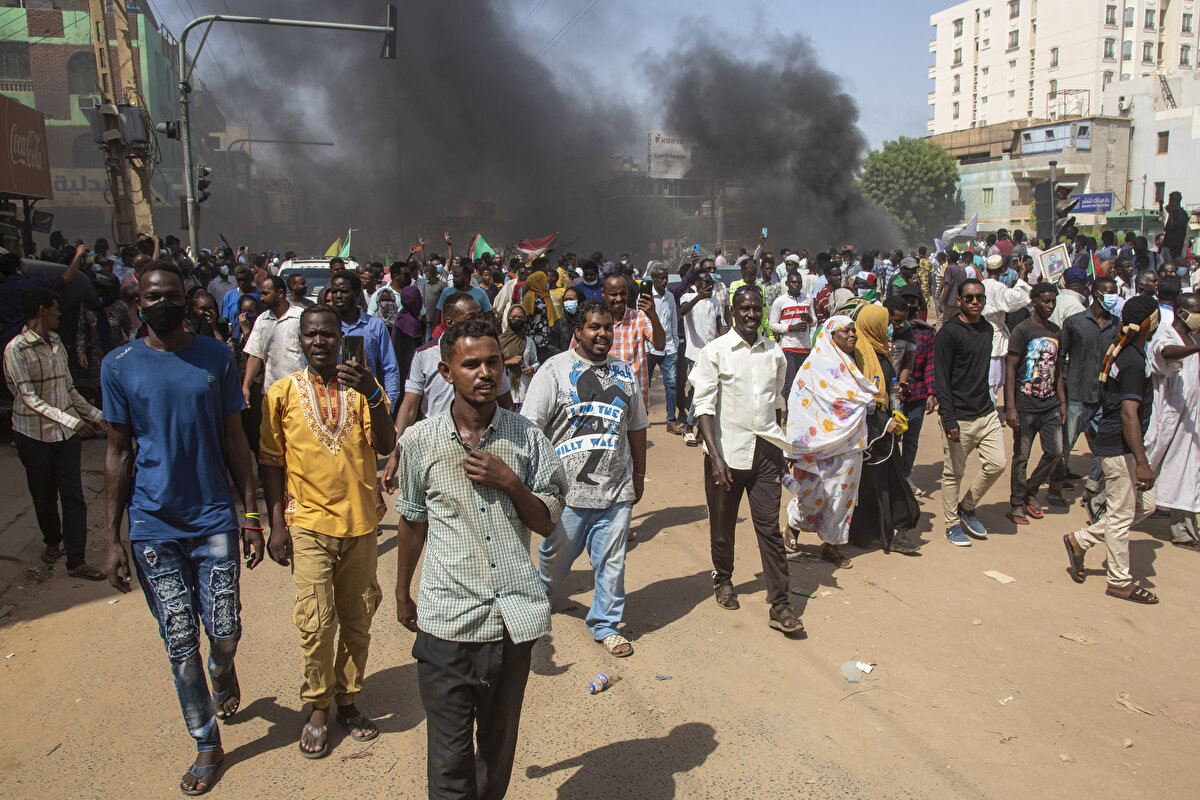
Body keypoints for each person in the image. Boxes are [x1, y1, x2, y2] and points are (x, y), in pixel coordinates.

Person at [101, 261, 263, 795]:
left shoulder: (216, 357)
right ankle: (206, 741)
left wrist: (252, 513)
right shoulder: (118, 365)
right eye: (152, 297)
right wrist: (112, 538)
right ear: (137, 303)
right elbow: (118, 452)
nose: (161, 304)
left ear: (187, 300)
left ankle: (225, 670)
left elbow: (236, 440)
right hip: (152, 526)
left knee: (224, 630)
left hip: (214, 517)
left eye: (171, 295)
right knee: (178, 641)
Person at [393, 319, 567, 800]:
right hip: (448, 624)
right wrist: (402, 592)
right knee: (450, 765)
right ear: (447, 372)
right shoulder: (420, 442)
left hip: (512, 623)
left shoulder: (527, 439)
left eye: (493, 362)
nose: (485, 372)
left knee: (496, 754)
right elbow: (411, 522)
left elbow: (547, 521)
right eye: (471, 364)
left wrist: (510, 481)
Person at [259, 304, 395, 759]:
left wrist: (373, 391)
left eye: (327, 335)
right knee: (316, 625)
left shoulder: (362, 391)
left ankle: (348, 699)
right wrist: (275, 523)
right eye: (311, 335)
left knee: (357, 618)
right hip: (308, 523)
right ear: (301, 340)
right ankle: (317, 704)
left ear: (341, 338)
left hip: (360, 524)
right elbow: (272, 461)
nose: (319, 341)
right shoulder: (281, 393)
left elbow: (386, 443)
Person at [522, 299, 648, 658]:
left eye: (607, 327)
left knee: (612, 562)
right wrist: (534, 481)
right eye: (594, 327)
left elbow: (637, 426)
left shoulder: (625, 372)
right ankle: (543, 589)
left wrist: (639, 474)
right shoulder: (554, 370)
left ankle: (605, 624)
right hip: (565, 493)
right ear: (578, 331)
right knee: (555, 559)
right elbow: (531, 427)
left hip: (615, 488)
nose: (602, 334)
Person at [689, 286, 803, 636]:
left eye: (757, 309)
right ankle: (723, 579)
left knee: (768, 528)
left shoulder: (775, 353)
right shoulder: (715, 353)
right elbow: (704, 409)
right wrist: (716, 457)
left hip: (766, 454)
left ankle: (780, 603)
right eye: (744, 309)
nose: (751, 314)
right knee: (723, 529)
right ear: (731, 313)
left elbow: (776, 403)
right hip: (725, 455)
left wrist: (781, 447)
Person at [1062, 296, 1161, 604]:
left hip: (1120, 445)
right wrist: (1142, 462)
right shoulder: (1131, 359)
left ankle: (1081, 539)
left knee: (1145, 506)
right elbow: (1129, 413)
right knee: (1120, 515)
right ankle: (1119, 580)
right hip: (1119, 446)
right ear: (1147, 324)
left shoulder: (1128, 352)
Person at [4, 287, 106, 579]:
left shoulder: (57, 342)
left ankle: (76, 560)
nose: (59, 314)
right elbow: (29, 398)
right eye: (55, 308)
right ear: (41, 310)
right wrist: (72, 421)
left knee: (73, 496)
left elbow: (68, 389)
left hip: (65, 437)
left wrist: (97, 417)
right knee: (43, 494)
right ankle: (52, 540)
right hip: (32, 435)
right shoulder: (16, 349)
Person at [380, 294, 514, 490]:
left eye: (480, 316)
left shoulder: (489, 354)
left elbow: (506, 403)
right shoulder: (424, 356)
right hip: (436, 446)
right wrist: (395, 454)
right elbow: (409, 408)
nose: (478, 322)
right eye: (471, 318)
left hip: (483, 444)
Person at [783, 316, 875, 563]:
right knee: (812, 493)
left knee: (842, 496)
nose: (852, 335)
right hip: (817, 446)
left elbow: (858, 399)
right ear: (830, 335)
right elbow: (800, 406)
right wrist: (796, 446)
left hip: (849, 443)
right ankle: (794, 524)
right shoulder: (813, 365)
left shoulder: (852, 366)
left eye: (854, 331)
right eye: (845, 331)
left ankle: (832, 546)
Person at [935, 279, 1007, 547]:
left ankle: (967, 506)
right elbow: (942, 379)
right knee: (954, 473)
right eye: (969, 298)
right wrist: (949, 418)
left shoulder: (987, 329)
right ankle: (952, 524)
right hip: (959, 417)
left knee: (997, 464)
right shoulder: (948, 334)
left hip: (986, 412)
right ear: (960, 300)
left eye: (979, 297)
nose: (975, 302)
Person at [847, 305, 920, 554]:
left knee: (892, 481)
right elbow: (855, 398)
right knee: (874, 485)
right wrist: (882, 421)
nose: (891, 328)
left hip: (886, 430)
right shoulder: (857, 355)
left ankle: (894, 531)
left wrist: (894, 396)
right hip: (871, 431)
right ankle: (878, 534)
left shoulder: (881, 350)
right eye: (886, 323)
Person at [1004, 283, 1066, 524]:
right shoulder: (1022, 330)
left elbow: (1058, 369)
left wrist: (1062, 402)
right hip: (1025, 405)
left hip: (1050, 404)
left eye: (1053, 302)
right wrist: (1010, 406)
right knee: (1022, 456)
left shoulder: (1056, 331)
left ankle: (1031, 488)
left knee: (1056, 451)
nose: (1050, 306)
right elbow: (1011, 369)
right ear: (1034, 302)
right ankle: (1017, 502)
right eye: (1046, 301)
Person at [1058, 277, 1120, 511]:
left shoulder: (1116, 324)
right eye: (1108, 292)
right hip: (1076, 393)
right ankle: (1056, 485)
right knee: (1066, 443)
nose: (1112, 296)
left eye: (1115, 292)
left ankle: (1093, 487)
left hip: (1103, 395)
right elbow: (1061, 357)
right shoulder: (1075, 322)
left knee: (1104, 446)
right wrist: (1062, 388)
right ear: (1095, 294)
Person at [1144, 293, 1200, 548]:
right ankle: (1102, 504)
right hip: (1165, 417)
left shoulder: (1192, 338)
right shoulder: (1166, 333)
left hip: (1189, 419)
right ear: (1181, 312)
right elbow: (1165, 353)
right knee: (1145, 464)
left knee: (1186, 472)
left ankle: (1183, 530)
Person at [326, 271, 401, 410]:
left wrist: (388, 404)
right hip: (333, 403)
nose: (337, 296)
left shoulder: (375, 326)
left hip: (367, 402)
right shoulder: (325, 327)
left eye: (343, 291)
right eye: (334, 291)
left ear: (356, 293)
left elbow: (390, 369)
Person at [603, 273, 664, 410]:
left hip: (635, 400)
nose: (619, 299)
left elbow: (660, 346)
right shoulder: (597, 322)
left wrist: (653, 315)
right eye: (613, 294)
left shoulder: (639, 318)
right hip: (606, 401)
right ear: (604, 294)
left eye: (622, 294)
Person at [678, 271, 725, 446]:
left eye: (711, 283)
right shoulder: (688, 297)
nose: (709, 286)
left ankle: (699, 430)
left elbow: (719, 326)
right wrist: (698, 297)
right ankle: (690, 426)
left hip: (712, 352)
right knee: (699, 388)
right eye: (705, 283)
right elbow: (683, 310)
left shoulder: (715, 302)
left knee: (707, 389)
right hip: (695, 352)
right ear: (697, 283)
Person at [896, 285, 936, 489]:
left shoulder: (927, 332)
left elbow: (930, 363)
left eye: (914, 301)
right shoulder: (892, 329)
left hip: (918, 391)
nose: (910, 305)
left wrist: (931, 393)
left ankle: (906, 475)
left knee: (912, 436)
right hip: (894, 392)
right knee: (893, 436)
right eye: (906, 301)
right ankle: (892, 476)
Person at [242, 275, 306, 402]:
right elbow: (255, 355)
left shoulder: (301, 316)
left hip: (299, 391)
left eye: (266, 294)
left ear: (280, 293)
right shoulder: (262, 320)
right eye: (261, 294)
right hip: (272, 391)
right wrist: (245, 387)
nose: (261, 298)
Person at [981, 254, 1032, 407]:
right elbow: (1017, 298)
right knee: (992, 381)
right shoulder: (999, 288)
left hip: (982, 334)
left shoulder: (979, 285)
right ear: (1003, 269)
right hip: (994, 337)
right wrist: (1022, 274)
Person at [645, 264, 681, 431]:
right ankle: (641, 418)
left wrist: (674, 344)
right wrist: (645, 347)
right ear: (653, 279)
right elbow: (641, 323)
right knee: (644, 384)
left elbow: (673, 322)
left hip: (668, 348)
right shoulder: (646, 297)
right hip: (650, 349)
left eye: (666, 277)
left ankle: (671, 421)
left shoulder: (670, 297)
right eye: (661, 278)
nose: (664, 281)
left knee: (671, 384)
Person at [770, 269, 814, 401]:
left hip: (805, 347)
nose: (796, 285)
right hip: (789, 347)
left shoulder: (807, 299)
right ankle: (790, 416)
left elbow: (814, 321)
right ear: (787, 283)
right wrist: (791, 328)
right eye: (794, 282)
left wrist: (809, 319)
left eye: (799, 283)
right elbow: (773, 324)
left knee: (804, 383)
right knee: (789, 383)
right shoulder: (780, 301)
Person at [434, 259, 495, 330]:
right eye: (453, 276)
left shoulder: (480, 293)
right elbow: (438, 315)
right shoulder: (447, 292)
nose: (453, 279)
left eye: (456, 276)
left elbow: (488, 316)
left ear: (466, 278)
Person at [499, 305, 538, 404]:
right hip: (504, 389)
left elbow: (535, 362)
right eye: (514, 317)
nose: (517, 320)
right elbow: (492, 365)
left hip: (523, 389)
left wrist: (532, 369)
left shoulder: (529, 342)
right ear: (508, 317)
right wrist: (508, 362)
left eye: (520, 318)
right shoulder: (499, 341)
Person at [521, 268, 558, 363]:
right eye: (544, 281)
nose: (547, 283)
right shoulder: (529, 297)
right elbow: (526, 317)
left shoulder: (545, 296)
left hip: (545, 337)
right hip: (534, 337)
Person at [1160, 190, 1189, 260]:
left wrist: (1170, 213)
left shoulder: (1182, 214)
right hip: (1166, 246)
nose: (1169, 202)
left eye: (1170, 200)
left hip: (1175, 250)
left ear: (1176, 201)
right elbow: (1166, 227)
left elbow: (1173, 227)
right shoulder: (1171, 213)